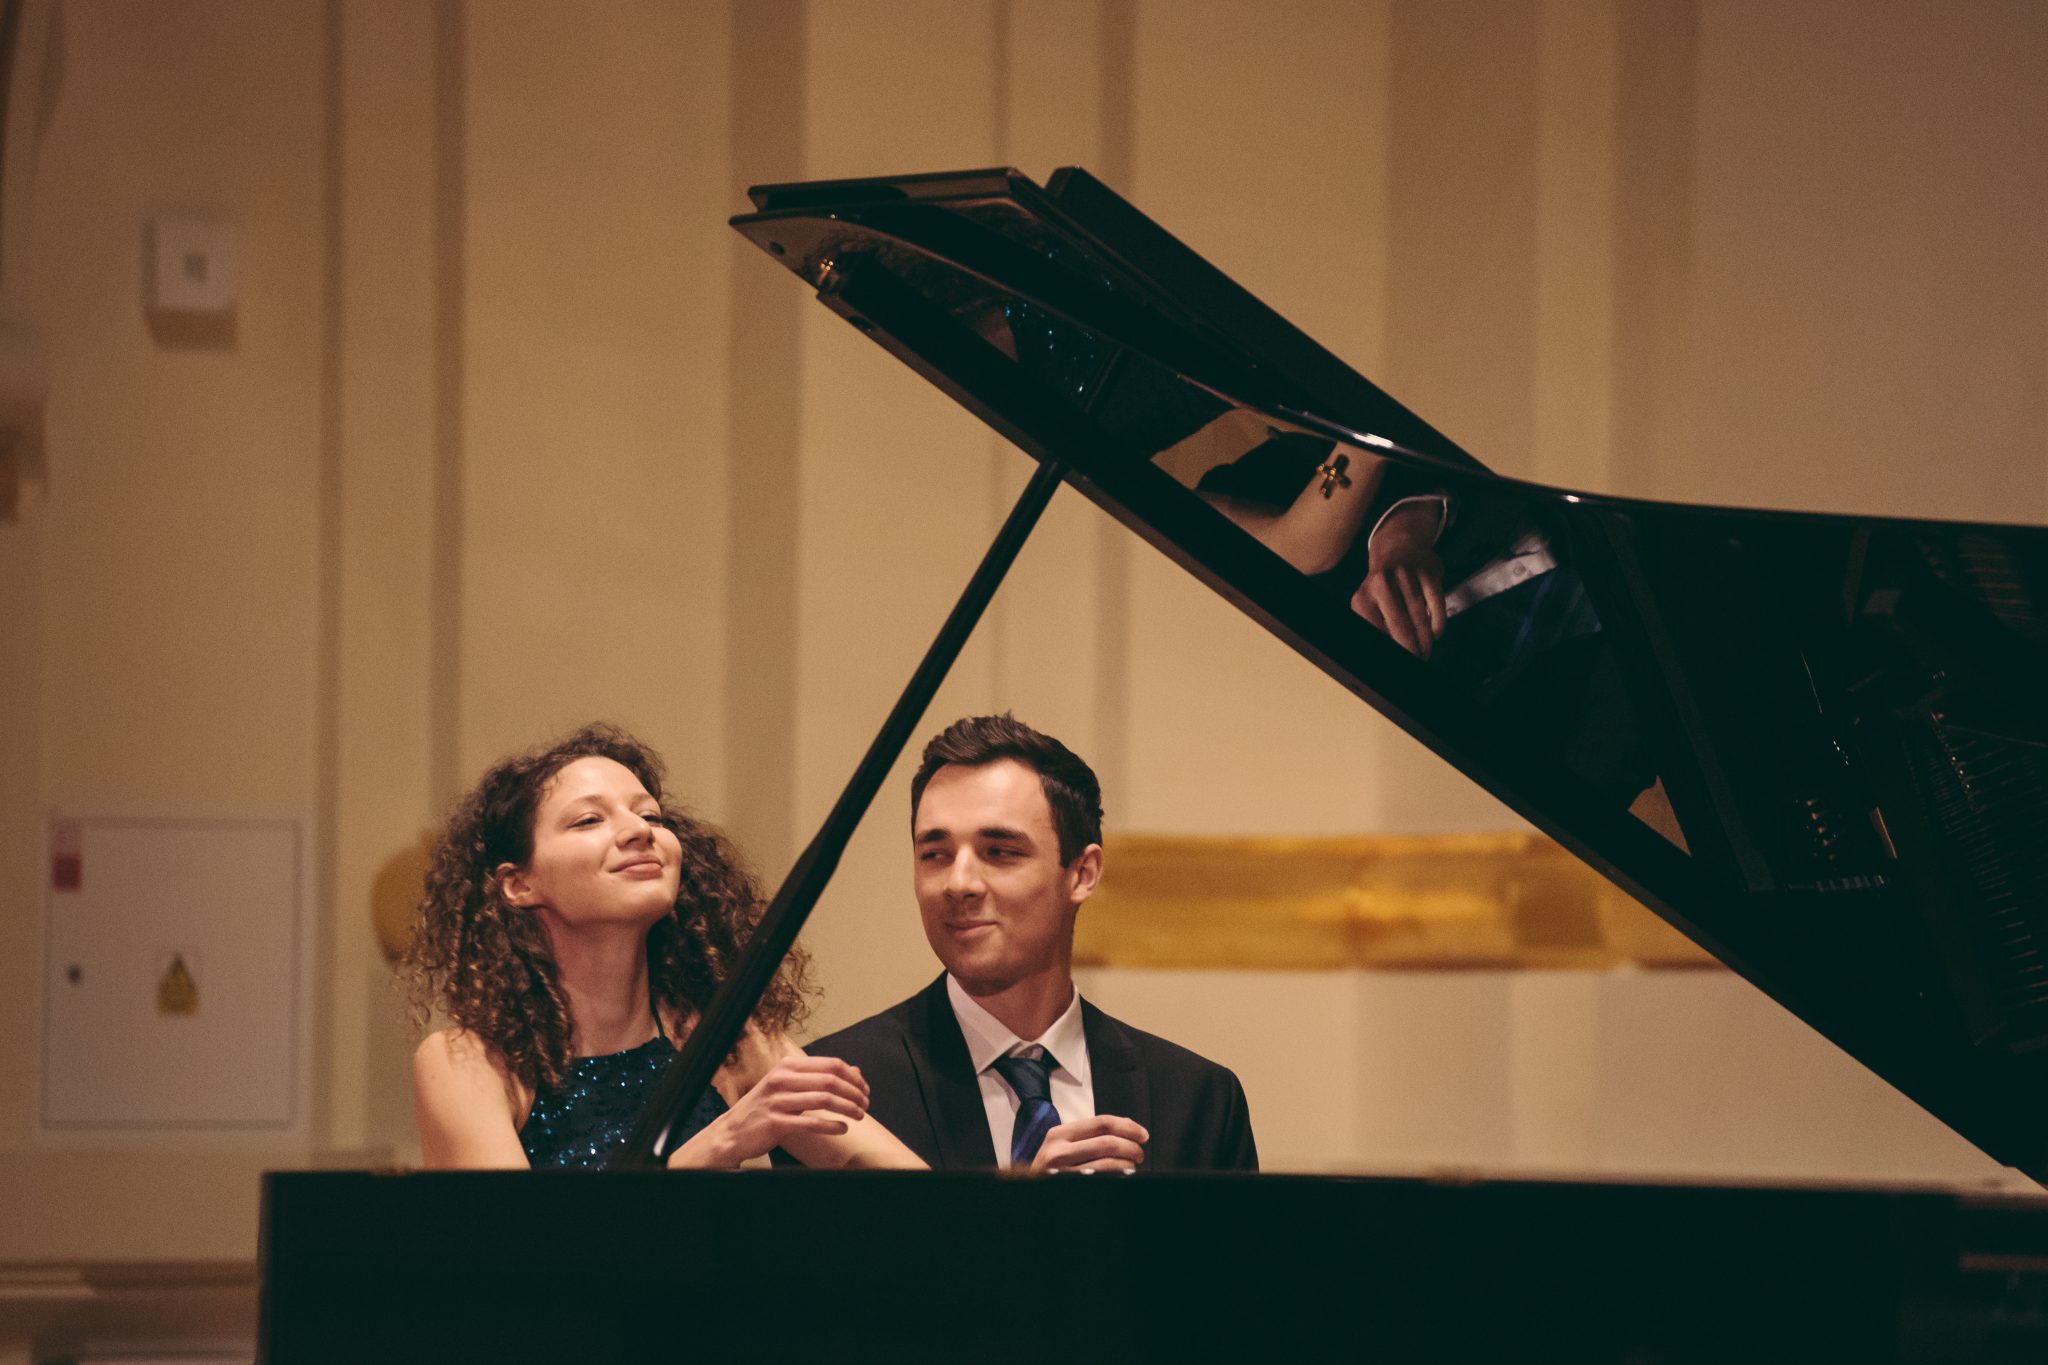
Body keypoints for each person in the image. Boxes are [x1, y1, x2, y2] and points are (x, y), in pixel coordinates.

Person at [405, 723, 923, 1171]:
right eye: (589, 820)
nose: (639, 831)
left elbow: (913, 1189)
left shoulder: (730, 1040)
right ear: (518, 884)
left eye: (651, 817)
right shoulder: (468, 1063)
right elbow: (518, 1244)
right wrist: (721, 1142)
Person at [799, 714, 1258, 1172]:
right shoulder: (838, 1093)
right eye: (935, 855)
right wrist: (1028, 1209)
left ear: (1082, 874)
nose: (959, 883)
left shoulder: (1198, 1099)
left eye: (1000, 852)